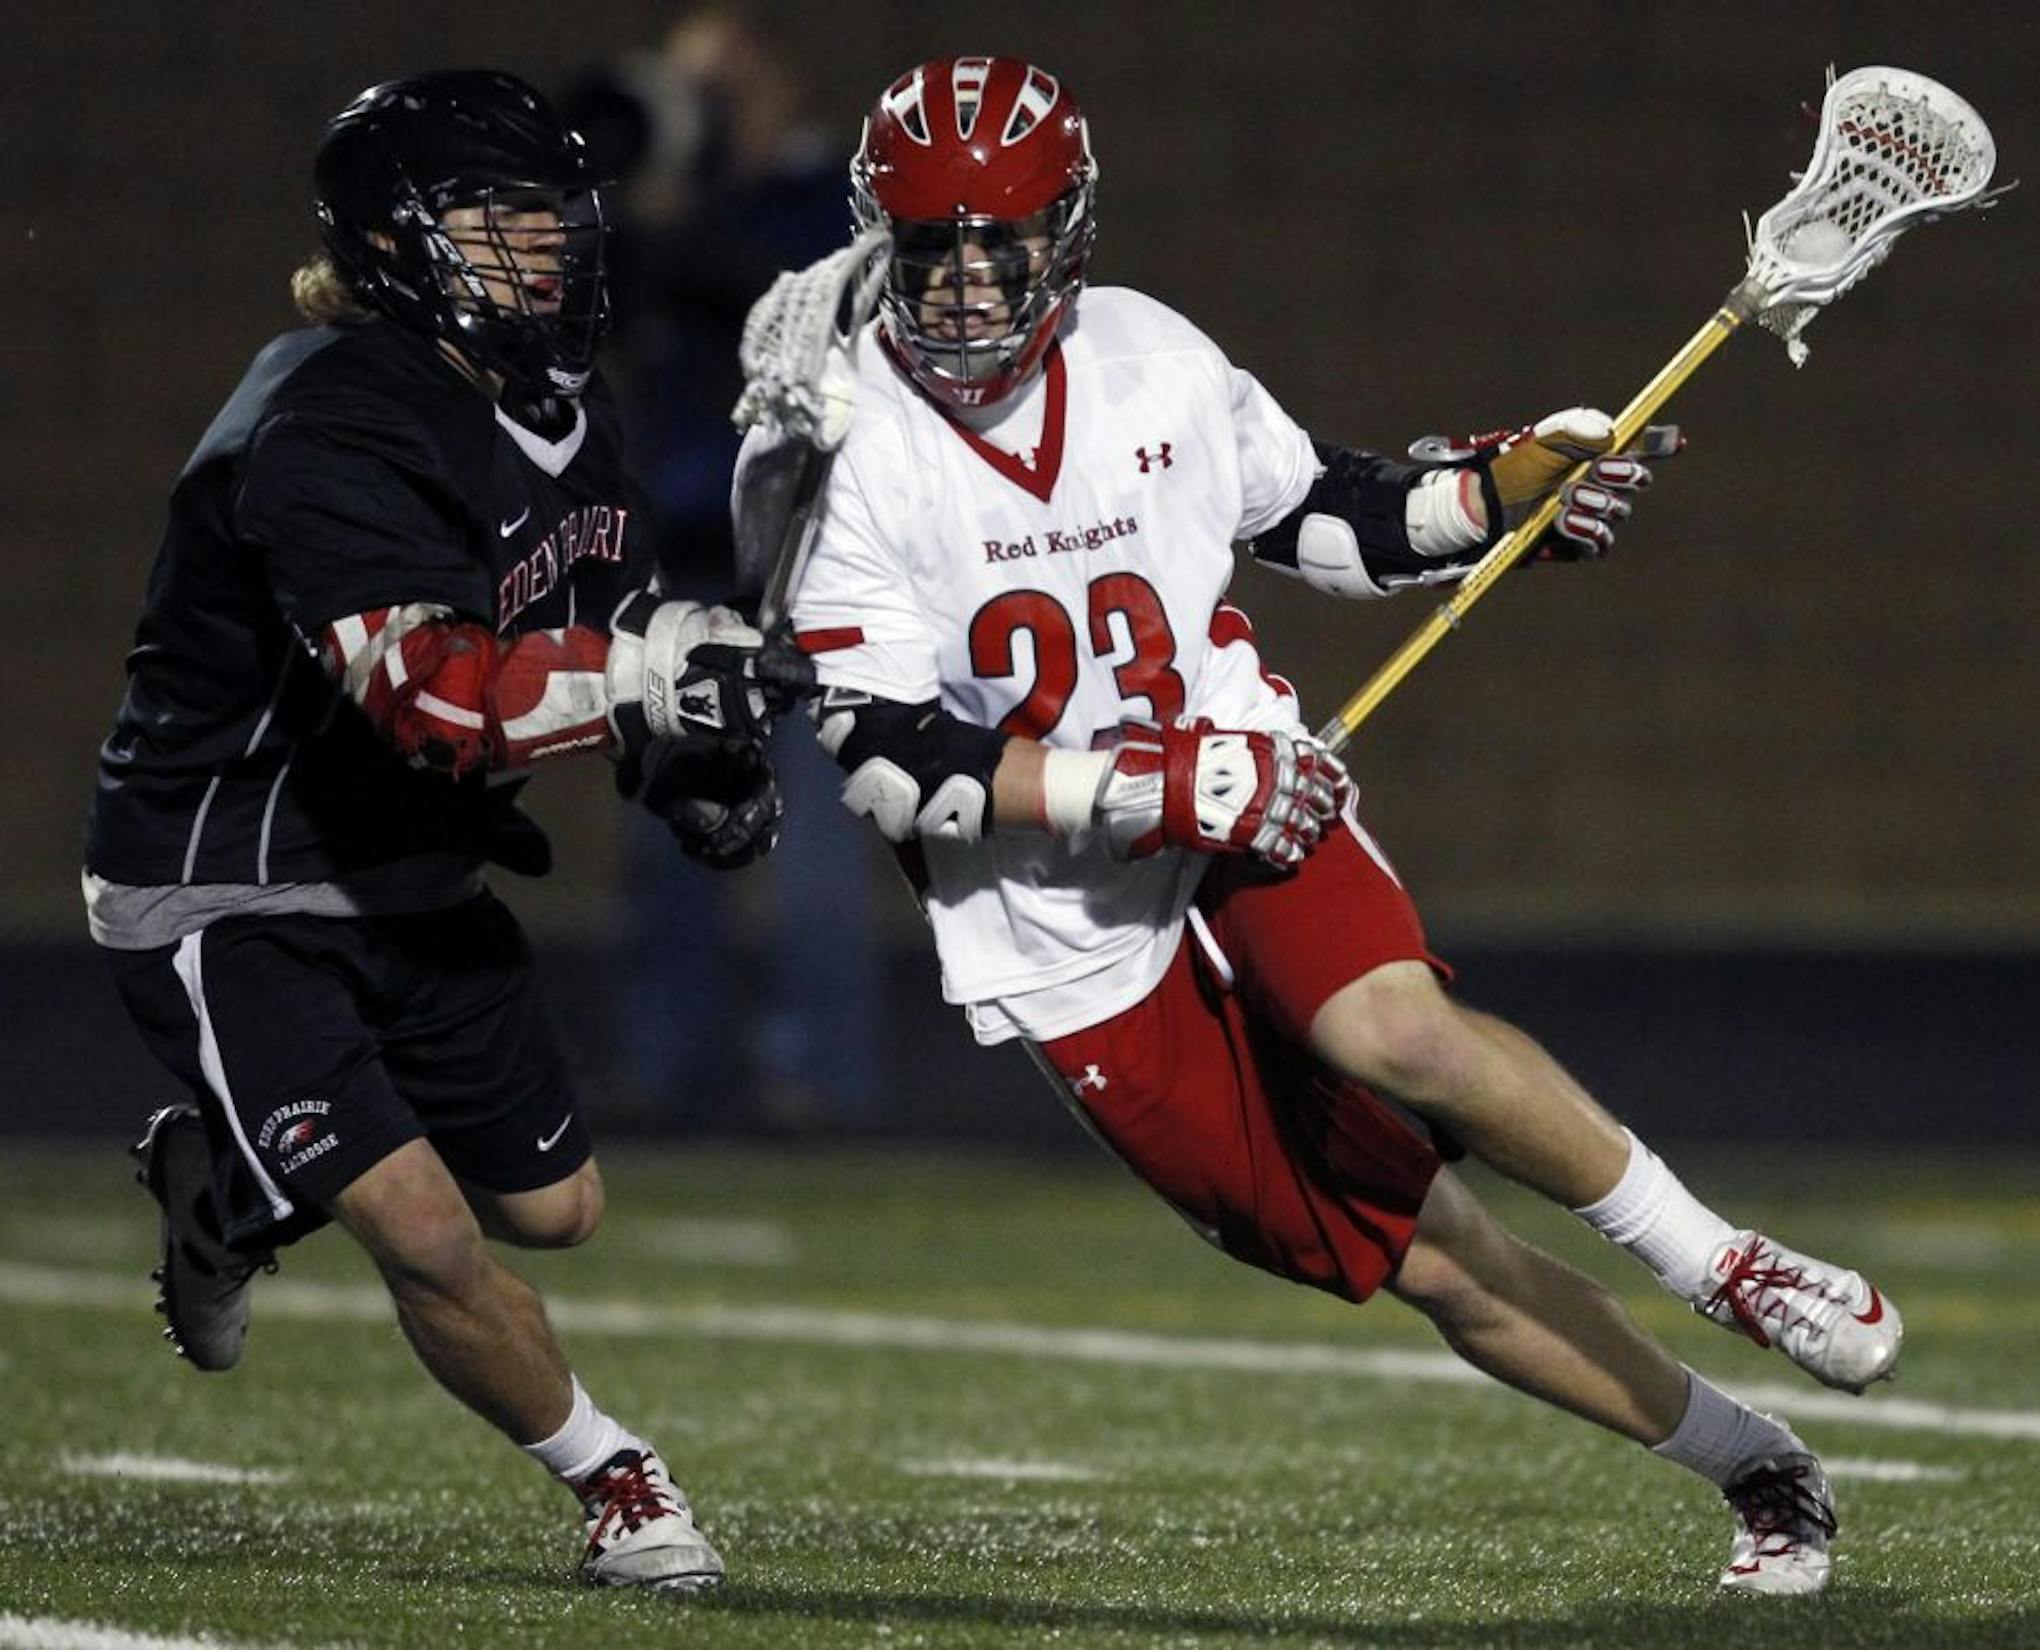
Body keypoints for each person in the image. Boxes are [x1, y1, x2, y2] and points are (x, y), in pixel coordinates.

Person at [745, 55, 1904, 1597]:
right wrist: (1144, 789)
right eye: (932, 247)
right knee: (1425, 1250)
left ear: (1066, 235)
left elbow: (1317, 514)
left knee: (1391, 1030)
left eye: (997, 247)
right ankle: (1754, 1460)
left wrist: (1500, 494)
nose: (963, 286)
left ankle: (1727, 1260)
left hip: (1238, 771)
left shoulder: (1148, 353)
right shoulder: (846, 438)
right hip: (1048, 898)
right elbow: (892, 759)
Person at [84, 71, 805, 1591]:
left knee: (559, 1206)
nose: (545, 251)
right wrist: (651, 674)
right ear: (398, 245)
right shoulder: (324, 423)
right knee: (422, 1229)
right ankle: (618, 1479)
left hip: (408, 864)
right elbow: (435, 695)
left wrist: (684, 765)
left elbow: (593, 632)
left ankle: (232, 1176)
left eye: (555, 218)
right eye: (500, 221)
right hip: (232, 878)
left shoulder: (563, 410)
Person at [567, 7, 887, 1130]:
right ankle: (668, 1076)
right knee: (666, 843)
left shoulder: (825, 196)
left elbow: (791, 303)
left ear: (777, 80)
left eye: (720, 85)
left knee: (812, 850)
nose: (697, 109)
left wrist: (668, 227)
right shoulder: (659, 217)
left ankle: (828, 1084)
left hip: (805, 572)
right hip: (682, 568)